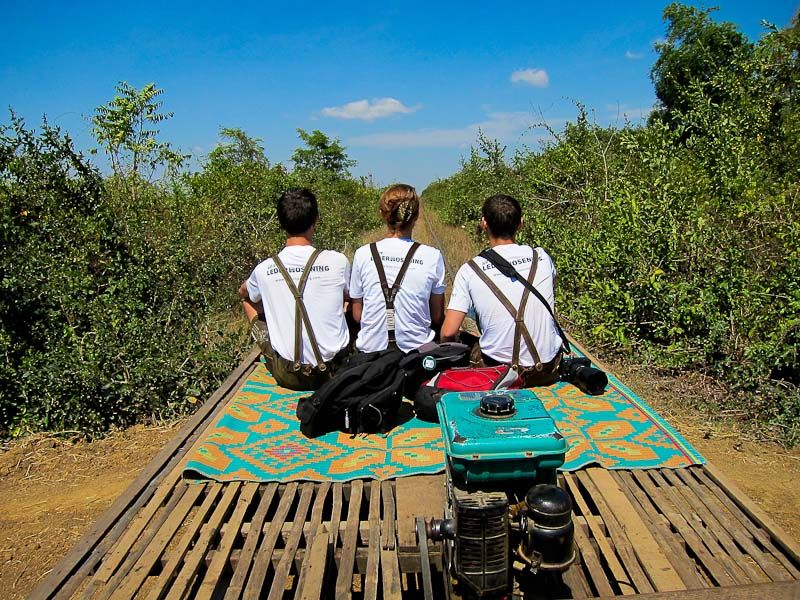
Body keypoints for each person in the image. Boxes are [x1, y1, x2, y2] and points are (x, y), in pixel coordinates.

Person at [440, 194, 563, 386]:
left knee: (462, 339)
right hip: (548, 369)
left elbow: (448, 332)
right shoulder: (542, 258)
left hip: (498, 372)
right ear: (520, 223)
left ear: (484, 224)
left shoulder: (470, 270)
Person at [238, 188, 351, 390]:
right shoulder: (337, 261)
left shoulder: (264, 269)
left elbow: (243, 293)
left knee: (248, 301)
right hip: (335, 372)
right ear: (315, 220)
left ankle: (277, 345)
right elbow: (351, 297)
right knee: (350, 302)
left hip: (288, 375)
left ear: (281, 223)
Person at [349, 184, 446, 353]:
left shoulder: (363, 254)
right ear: (415, 216)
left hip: (372, 353)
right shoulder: (432, 256)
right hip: (416, 353)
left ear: (382, 214)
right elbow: (436, 316)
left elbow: (358, 315)